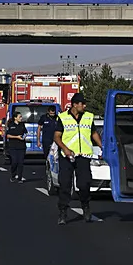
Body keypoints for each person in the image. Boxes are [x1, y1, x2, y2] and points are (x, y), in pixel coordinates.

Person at [53, 93, 102, 225]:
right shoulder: (63, 118)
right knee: (65, 184)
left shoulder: (88, 117)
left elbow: (94, 133)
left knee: (84, 183)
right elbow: (57, 136)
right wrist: (64, 149)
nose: (84, 106)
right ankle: (63, 211)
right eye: (82, 104)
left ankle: (85, 205)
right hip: (67, 156)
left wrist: (102, 147)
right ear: (75, 104)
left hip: (84, 156)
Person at [6, 110, 28, 182]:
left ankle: (19, 178)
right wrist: (17, 137)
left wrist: (24, 136)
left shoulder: (22, 125)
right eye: (19, 117)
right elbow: (8, 135)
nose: (21, 118)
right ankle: (13, 175)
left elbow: (25, 132)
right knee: (14, 162)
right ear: (15, 118)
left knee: (20, 163)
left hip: (21, 147)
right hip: (13, 147)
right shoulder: (11, 125)